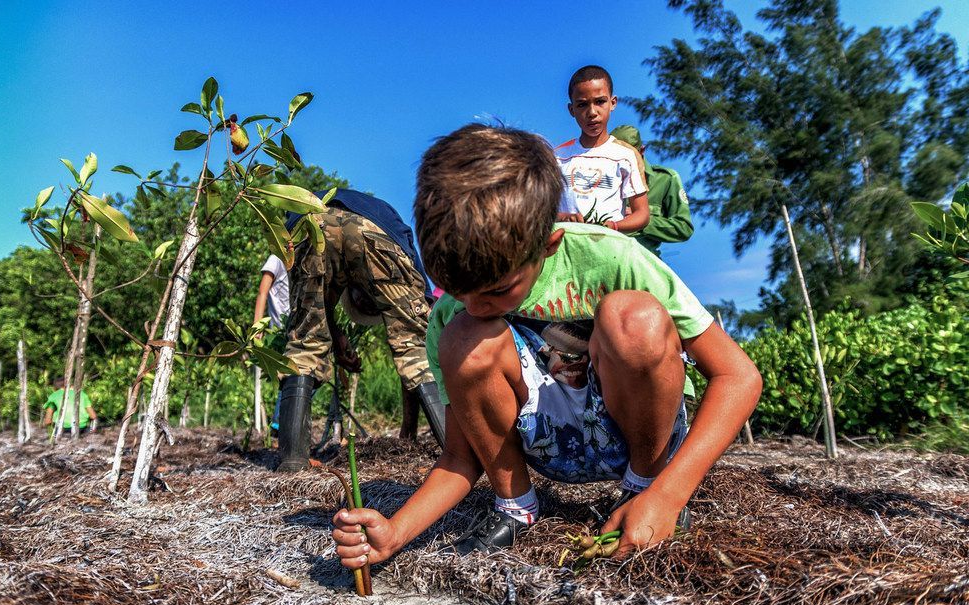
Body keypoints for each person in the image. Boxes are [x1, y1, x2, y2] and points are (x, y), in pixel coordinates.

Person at [331, 124, 761, 567]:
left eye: (497, 291)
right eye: (458, 292)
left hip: (637, 432)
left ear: (549, 243)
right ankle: (517, 506)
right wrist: (395, 533)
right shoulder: (457, 315)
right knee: (463, 336)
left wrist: (668, 493)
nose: (477, 307)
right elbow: (461, 456)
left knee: (634, 319)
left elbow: (738, 376)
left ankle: (641, 488)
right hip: (549, 445)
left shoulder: (612, 256)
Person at [275, 188, 446, 472]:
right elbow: (418, 338)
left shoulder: (341, 278)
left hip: (309, 224)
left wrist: (409, 432)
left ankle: (292, 463)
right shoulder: (386, 217)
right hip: (376, 232)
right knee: (416, 346)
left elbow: (317, 313)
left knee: (305, 342)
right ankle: (458, 453)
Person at [554, 65, 650, 234]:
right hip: (564, 247)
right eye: (582, 105)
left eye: (600, 102)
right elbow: (540, 210)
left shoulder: (626, 156)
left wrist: (614, 226)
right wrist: (563, 217)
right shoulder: (557, 157)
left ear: (612, 103)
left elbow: (642, 214)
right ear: (571, 110)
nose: (592, 112)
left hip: (609, 249)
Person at [609, 125, 694, 258]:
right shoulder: (600, 180)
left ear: (641, 151)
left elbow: (683, 228)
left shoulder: (665, 179)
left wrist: (641, 219)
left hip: (645, 264)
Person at [253, 254, 292, 432]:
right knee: (288, 376)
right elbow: (263, 291)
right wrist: (257, 326)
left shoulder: (303, 254)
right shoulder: (276, 258)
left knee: (294, 376)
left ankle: (281, 425)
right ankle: (279, 426)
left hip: (296, 327)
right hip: (279, 331)